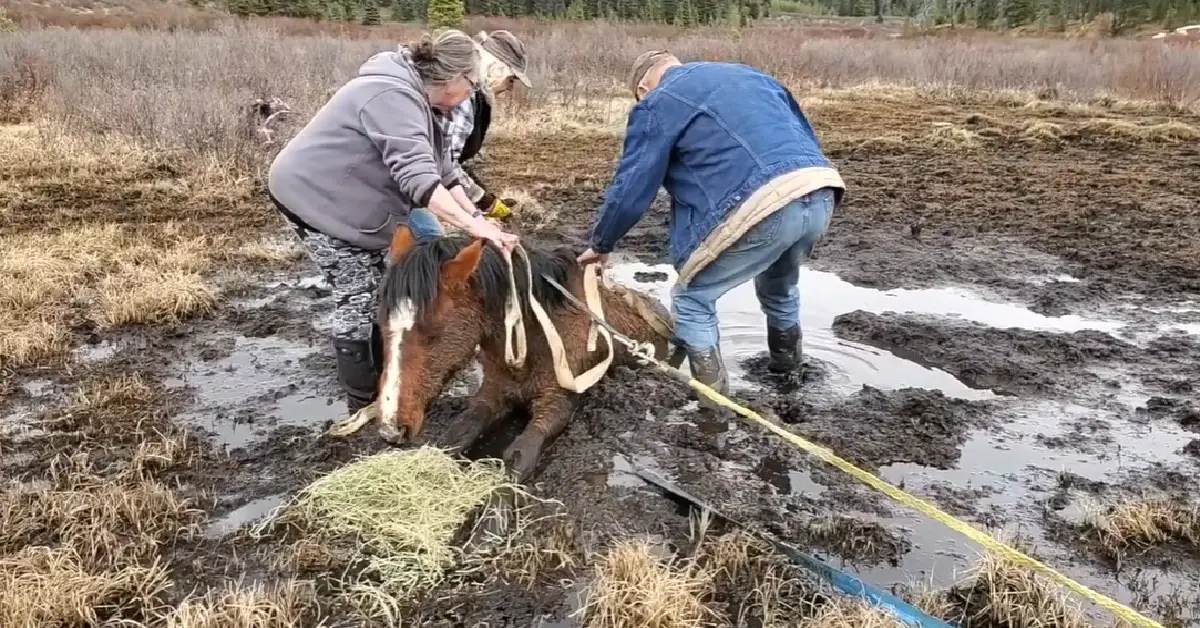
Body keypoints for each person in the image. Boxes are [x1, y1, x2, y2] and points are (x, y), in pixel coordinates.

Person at [267, 29, 520, 413]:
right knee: (357, 297)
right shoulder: (392, 96)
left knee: (381, 287)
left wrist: (480, 217)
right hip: (313, 198)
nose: (471, 94)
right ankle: (363, 402)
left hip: (352, 200)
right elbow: (419, 178)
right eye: (471, 84)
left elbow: (445, 173)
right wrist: (475, 228)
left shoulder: (422, 102)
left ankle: (392, 376)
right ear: (451, 77)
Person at [578, 51, 845, 406]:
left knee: (691, 300)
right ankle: (789, 380)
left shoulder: (657, 101)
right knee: (779, 289)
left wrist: (602, 242)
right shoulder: (753, 75)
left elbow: (632, 189)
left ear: (642, 88)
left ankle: (714, 414)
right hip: (820, 190)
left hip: (763, 203)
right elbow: (802, 135)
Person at [435, 29, 533, 220]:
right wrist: (482, 201)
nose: (510, 88)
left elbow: (451, 157)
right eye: (511, 79)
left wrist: (484, 196)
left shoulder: (465, 90)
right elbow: (443, 163)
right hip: (388, 182)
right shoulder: (463, 98)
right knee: (426, 235)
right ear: (496, 68)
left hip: (403, 178)